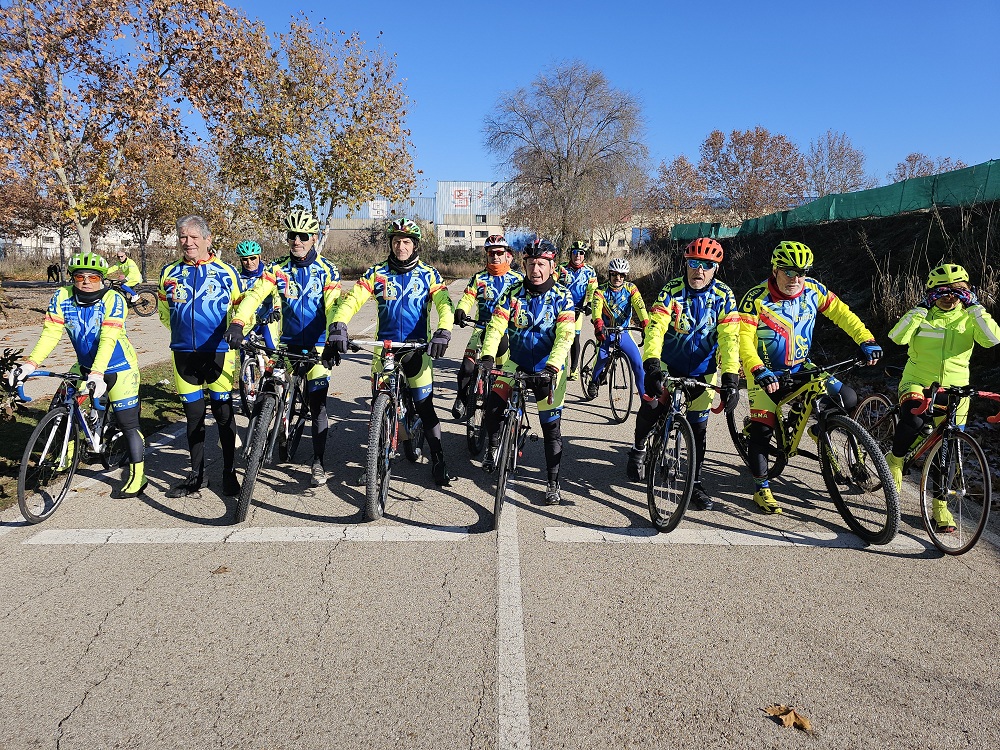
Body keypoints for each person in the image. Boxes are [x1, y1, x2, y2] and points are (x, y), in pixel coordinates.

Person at [737, 240, 883, 514]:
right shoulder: (755, 298)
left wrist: (866, 339)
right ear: (775, 269)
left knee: (847, 398)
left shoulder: (813, 290)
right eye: (788, 272)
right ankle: (761, 488)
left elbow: (843, 314)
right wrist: (757, 369)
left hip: (801, 365)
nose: (795, 278)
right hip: (764, 372)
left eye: (801, 272)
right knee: (762, 430)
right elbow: (744, 341)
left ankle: (821, 428)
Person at [326, 218, 455, 486]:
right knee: (379, 405)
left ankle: (439, 459)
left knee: (424, 406)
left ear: (415, 245)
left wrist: (444, 331)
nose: (401, 246)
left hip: (417, 349)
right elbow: (352, 300)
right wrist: (339, 324)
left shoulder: (429, 274)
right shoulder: (377, 273)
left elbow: (444, 304)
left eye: (406, 241)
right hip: (384, 350)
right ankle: (373, 462)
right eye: (396, 241)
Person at [8, 252, 148, 497]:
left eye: (93, 277)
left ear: (102, 278)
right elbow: (51, 334)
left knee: (128, 422)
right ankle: (68, 452)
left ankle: (139, 475)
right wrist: (30, 364)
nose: (85, 281)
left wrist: (97, 373)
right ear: (72, 277)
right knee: (63, 403)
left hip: (119, 367)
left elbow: (108, 339)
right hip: (84, 365)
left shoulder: (113, 298)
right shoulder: (62, 296)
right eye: (79, 276)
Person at [224, 212, 342, 487]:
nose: (297, 241)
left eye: (303, 236)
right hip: (286, 342)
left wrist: (336, 331)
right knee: (270, 385)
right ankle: (267, 424)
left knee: (318, 405)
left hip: (317, 344)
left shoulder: (327, 269)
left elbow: (334, 303)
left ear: (314, 238)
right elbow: (254, 295)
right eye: (292, 236)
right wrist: (239, 323)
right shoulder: (277, 268)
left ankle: (318, 461)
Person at [884, 263, 1000, 532]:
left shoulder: (970, 316)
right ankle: (896, 459)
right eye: (942, 291)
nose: (950, 296)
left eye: (957, 290)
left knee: (947, 453)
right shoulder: (923, 314)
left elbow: (993, 339)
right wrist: (921, 307)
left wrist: (975, 307)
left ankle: (939, 508)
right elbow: (897, 337)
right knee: (913, 422)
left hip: (956, 391)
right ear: (931, 292)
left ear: (967, 291)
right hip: (918, 382)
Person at [630, 238, 740, 510]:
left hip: (703, 372)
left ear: (715, 268)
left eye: (706, 265)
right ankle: (639, 448)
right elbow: (655, 329)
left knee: (699, 430)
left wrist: (730, 378)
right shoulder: (671, 291)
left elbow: (730, 339)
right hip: (668, 363)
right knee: (653, 406)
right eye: (693, 263)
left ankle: (695, 482)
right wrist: (652, 364)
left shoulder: (724, 296)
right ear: (686, 264)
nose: (698, 271)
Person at [478, 238, 575, 505]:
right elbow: (497, 325)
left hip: (549, 368)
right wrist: (487, 355)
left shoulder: (562, 296)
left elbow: (565, 335)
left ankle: (552, 483)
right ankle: (494, 446)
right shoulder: (512, 292)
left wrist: (553, 366)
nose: (536, 269)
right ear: (524, 265)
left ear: (551, 265)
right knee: (494, 405)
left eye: (541, 264)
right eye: (531, 263)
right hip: (516, 362)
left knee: (550, 429)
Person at [157, 215, 242, 498]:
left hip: (218, 353)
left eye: (194, 237)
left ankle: (229, 473)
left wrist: (236, 333)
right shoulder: (169, 272)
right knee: (193, 418)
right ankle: (197, 475)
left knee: (223, 415)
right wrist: (181, 334)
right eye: (183, 237)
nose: (188, 242)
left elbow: (243, 313)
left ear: (208, 239)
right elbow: (164, 312)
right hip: (183, 355)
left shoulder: (226, 272)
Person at [451, 234, 523, 420]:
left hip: (506, 332)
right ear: (487, 255)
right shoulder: (479, 278)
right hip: (481, 329)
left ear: (507, 254)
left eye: (499, 253)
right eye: (491, 253)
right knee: (467, 367)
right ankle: (461, 398)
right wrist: (460, 309)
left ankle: (503, 410)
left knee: (503, 376)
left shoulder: (518, 279)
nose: (495, 257)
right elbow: (468, 297)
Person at [587, 256, 650, 401]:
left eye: (621, 275)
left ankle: (645, 401)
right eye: (614, 274)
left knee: (638, 365)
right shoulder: (600, 291)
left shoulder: (631, 288)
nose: (618, 277)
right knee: (602, 357)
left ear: (625, 276)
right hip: (606, 331)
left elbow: (640, 306)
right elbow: (596, 309)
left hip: (624, 332)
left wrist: (645, 323)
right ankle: (593, 381)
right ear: (609, 274)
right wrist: (598, 323)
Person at [556, 240, 598, 380]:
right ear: (570, 254)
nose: (577, 255)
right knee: (558, 337)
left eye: (581, 253)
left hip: (578, 310)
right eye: (575, 252)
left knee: (574, 339)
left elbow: (593, 290)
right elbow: (552, 285)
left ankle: (573, 370)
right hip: (560, 309)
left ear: (584, 255)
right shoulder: (560, 269)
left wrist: (590, 303)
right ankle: (555, 366)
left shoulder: (589, 271)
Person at [231, 240, 279, 350]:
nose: (249, 262)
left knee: (272, 350)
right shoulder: (237, 277)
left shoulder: (268, 275)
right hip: (247, 322)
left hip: (267, 319)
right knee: (244, 352)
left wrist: (277, 309)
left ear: (259, 257)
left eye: (253, 258)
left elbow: (277, 294)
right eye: (245, 259)